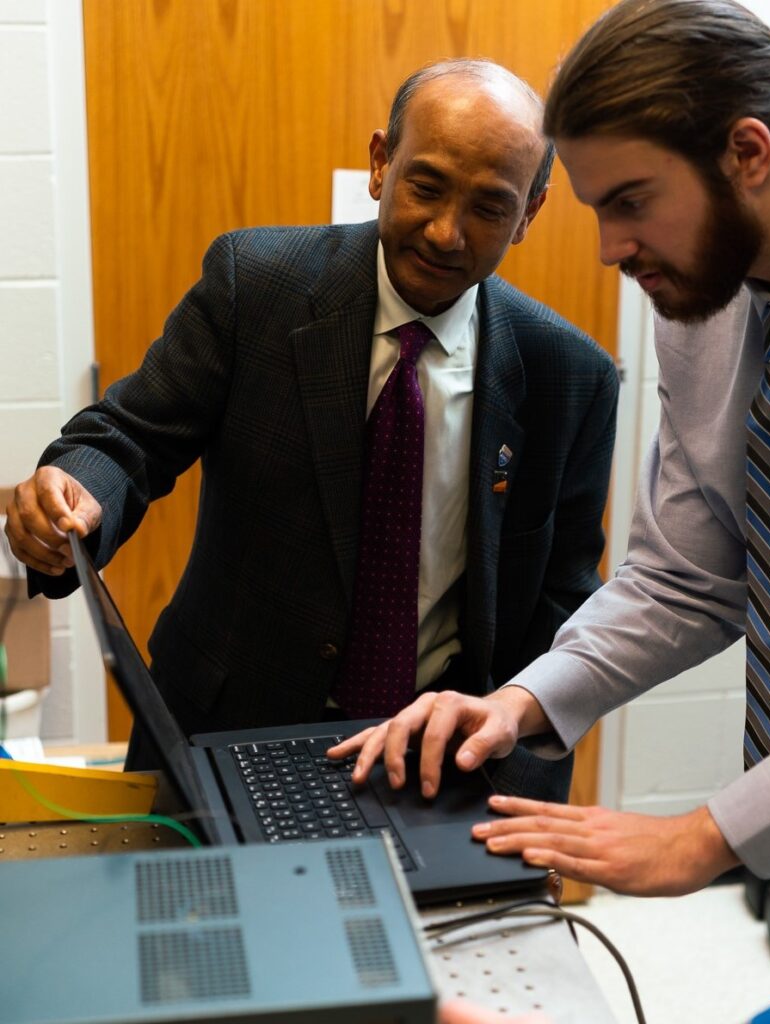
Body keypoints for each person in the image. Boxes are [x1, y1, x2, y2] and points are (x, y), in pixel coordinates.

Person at [5, 58, 617, 799]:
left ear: (530, 212)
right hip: (226, 727)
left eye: (489, 206)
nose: (446, 232)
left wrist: (513, 769)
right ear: (379, 161)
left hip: (436, 758)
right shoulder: (257, 285)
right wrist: (76, 491)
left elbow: (564, 598)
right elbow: (130, 438)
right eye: (424, 186)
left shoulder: (569, 375)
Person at [338, 0, 770, 898]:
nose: (610, 251)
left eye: (632, 203)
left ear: (749, 155)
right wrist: (518, 702)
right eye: (598, 210)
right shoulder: (707, 301)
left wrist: (706, 835)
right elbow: (685, 578)